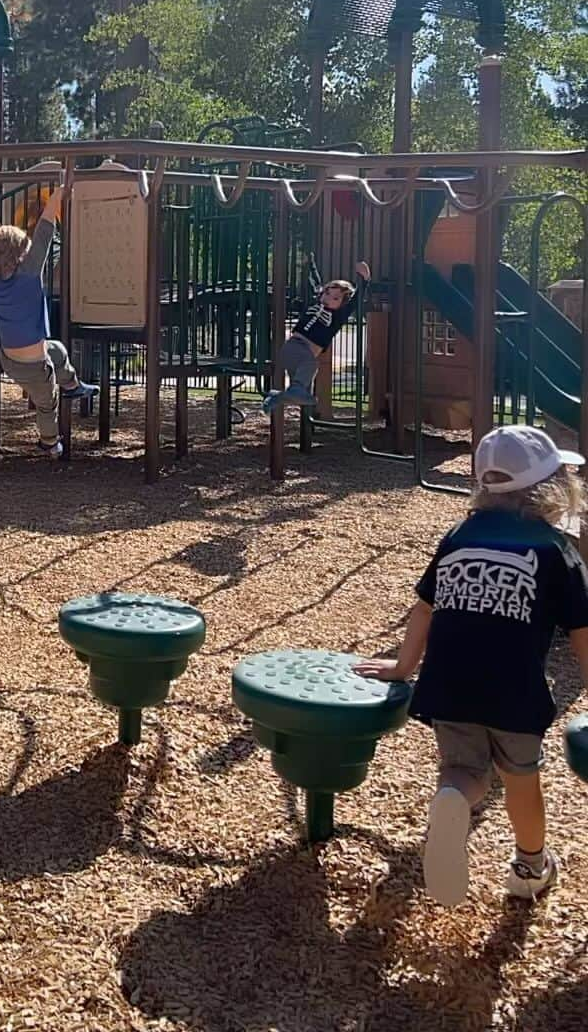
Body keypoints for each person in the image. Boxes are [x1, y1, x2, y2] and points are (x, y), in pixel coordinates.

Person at [356, 425, 588, 906]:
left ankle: (454, 799)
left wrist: (403, 668)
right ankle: (530, 867)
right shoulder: (556, 550)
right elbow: (583, 634)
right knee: (521, 777)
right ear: (552, 486)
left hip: (449, 680)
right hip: (515, 689)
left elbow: (424, 606)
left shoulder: (459, 536)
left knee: (464, 769)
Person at [0, 185, 96, 457]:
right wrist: (60, 191)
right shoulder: (28, 273)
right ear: (20, 255)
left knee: (58, 351)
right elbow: (45, 230)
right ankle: (49, 443)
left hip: (9, 360)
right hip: (35, 367)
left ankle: (72, 385)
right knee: (46, 405)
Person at [262, 256, 370, 414]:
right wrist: (310, 264)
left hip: (299, 356)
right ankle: (294, 390)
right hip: (296, 348)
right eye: (326, 293)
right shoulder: (315, 302)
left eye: (335, 298)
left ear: (342, 304)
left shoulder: (339, 316)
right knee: (311, 366)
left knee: (305, 397)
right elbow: (315, 282)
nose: (327, 298)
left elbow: (356, 299)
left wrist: (365, 279)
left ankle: (275, 398)